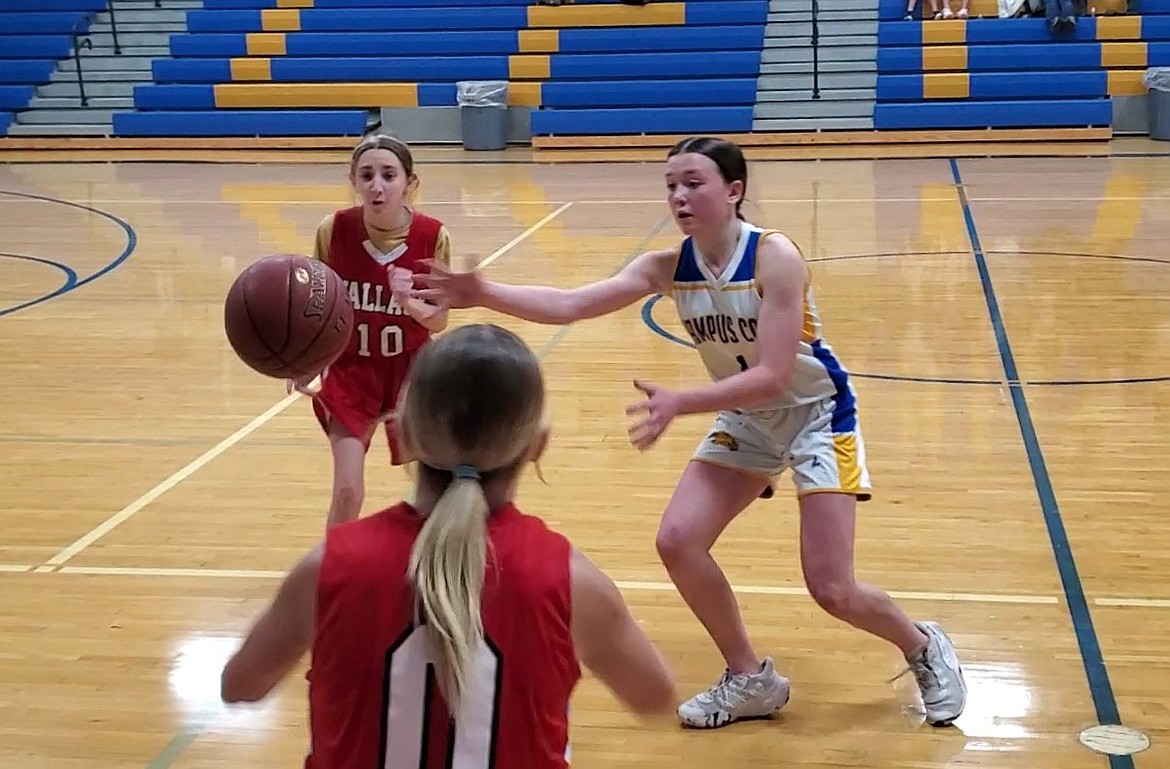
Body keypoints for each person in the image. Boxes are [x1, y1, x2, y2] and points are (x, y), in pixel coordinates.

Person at [412, 136, 968, 730]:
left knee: (831, 587)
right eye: (671, 185)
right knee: (678, 539)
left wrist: (683, 401)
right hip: (748, 418)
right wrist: (482, 293)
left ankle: (921, 645)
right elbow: (573, 303)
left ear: (734, 191)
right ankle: (750, 677)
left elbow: (773, 375)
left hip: (816, 414)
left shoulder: (774, 257)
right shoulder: (667, 265)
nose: (679, 195)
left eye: (693, 182)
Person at [222, 323, 677, 768]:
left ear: (402, 433)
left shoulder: (327, 567)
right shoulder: (573, 583)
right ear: (538, 444)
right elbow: (655, 694)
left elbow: (239, 685)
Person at [290, 133, 451, 529]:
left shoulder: (433, 236)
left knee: (433, 491)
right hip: (350, 370)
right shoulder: (333, 230)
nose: (377, 186)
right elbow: (320, 304)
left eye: (388, 175)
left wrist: (409, 303)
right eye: (367, 175)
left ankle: (433, 566)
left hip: (411, 373)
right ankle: (334, 576)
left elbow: (439, 320)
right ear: (354, 181)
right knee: (347, 491)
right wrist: (304, 360)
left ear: (409, 183)